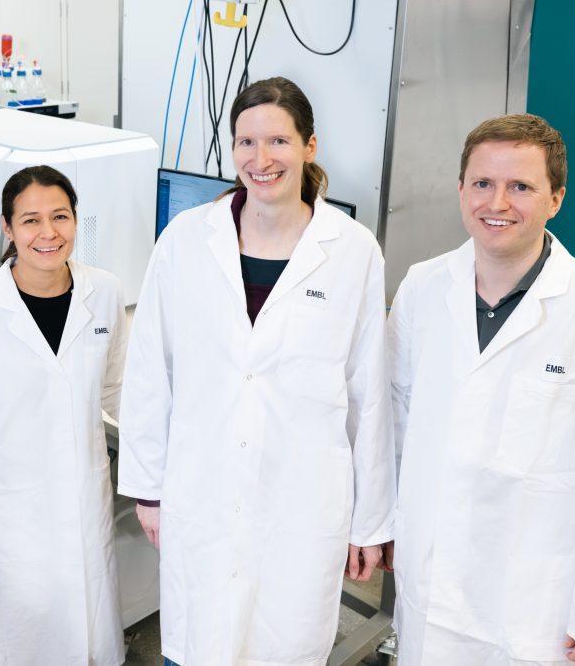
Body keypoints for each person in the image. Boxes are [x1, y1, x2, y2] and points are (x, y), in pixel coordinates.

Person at [117, 76, 396, 665]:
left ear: (309, 147)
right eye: (246, 142)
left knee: (284, 642)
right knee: (199, 643)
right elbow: (150, 370)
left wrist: (370, 519)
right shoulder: (186, 240)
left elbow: (369, 394)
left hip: (301, 498)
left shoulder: (352, 250)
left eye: (278, 141)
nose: (260, 159)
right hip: (202, 487)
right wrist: (147, 488)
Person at [388, 114, 575, 665]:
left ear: (556, 198)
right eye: (483, 183)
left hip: (533, 603)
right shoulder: (422, 287)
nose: (498, 203)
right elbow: (397, 417)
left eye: (521, 186)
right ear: (461, 190)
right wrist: (388, 522)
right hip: (431, 576)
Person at [0, 165, 128, 665]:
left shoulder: (103, 292)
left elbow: (119, 394)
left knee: (83, 631)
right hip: (5, 523)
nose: (48, 233)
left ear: (77, 220)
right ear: (7, 228)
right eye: (31, 221)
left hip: (82, 506)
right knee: (12, 642)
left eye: (60, 217)